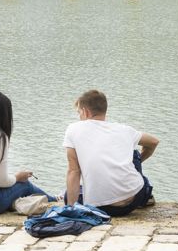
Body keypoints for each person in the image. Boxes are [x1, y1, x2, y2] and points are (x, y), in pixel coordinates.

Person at [64, 89, 159, 217]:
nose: (79, 116)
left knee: (67, 195)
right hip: (133, 201)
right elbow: (154, 142)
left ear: (85, 112)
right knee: (134, 154)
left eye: (79, 112)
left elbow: (73, 171)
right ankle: (146, 194)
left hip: (99, 207)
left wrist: (70, 209)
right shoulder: (124, 130)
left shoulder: (73, 129)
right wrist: (139, 160)